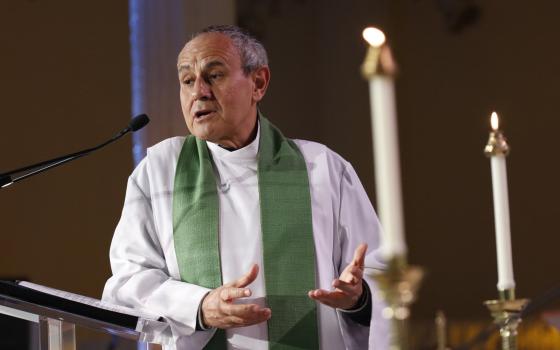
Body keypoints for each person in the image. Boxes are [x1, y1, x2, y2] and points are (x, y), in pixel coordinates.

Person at [102, 25, 388, 349]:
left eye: (214, 75)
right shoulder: (159, 172)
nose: (199, 91)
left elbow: (380, 277)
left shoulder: (322, 169)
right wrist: (199, 306)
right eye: (186, 80)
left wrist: (359, 297)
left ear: (258, 83)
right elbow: (126, 285)